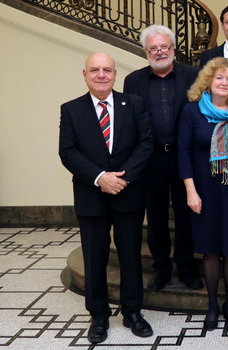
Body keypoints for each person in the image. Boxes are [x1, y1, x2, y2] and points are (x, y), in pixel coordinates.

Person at [59, 53, 154, 343]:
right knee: (95, 257)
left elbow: (146, 143)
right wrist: (101, 178)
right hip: (92, 195)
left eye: (107, 70)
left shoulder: (134, 104)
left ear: (115, 74)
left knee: (129, 256)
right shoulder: (72, 109)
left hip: (128, 193)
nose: (101, 75)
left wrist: (122, 179)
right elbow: (68, 152)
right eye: (95, 70)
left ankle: (132, 312)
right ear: (85, 74)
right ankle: (98, 315)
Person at [177, 57, 228, 330]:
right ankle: (212, 305)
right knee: (211, 250)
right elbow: (184, 152)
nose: (224, 83)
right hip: (203, 190)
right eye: (219, 78)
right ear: (208, 81)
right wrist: (190, 191)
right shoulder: (192, 111)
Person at [124, 24, 203, 292]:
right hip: (151, 159)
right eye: (153, 48)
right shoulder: (133, 81)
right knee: (156, 218)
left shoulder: (193, 75)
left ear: (173, 48)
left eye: (163, 47)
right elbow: (130, 123)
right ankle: (161, 271)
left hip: (185, 159)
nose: (159, 52)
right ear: (146, 52)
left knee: (186, 217)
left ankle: (188, 269)